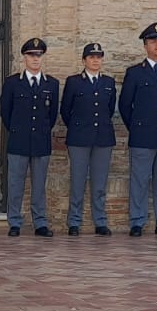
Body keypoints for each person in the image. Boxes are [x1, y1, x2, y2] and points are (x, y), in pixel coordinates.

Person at [119, 22, 157, 237]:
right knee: (139, 180)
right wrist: (136, 127)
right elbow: (125, 105)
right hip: (142, 135)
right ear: (145, 45)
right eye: (153, 41)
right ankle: (137, 221)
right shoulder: (135, 73)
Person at [0, 37, 59, 237]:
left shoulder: (52, 84)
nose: (35, 59)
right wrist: (18, 130)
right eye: (31, 55)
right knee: (15, 183)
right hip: (19, 140)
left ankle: (40, 222)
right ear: (24, 57)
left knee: (39, 185)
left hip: (41, 141)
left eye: (39, 55)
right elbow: (6, 113)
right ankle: (14, 222)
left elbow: (52, 115)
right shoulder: (12, 83)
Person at [59, 41, 116, 236]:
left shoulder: (108, 83)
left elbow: (109, 110)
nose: (95, 60)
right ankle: (74, 221)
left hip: (103, 138)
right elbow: (65, 110)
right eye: (91, 57)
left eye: (99, 57)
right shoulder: (74, 81)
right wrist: (77, 128)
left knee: (99, 184)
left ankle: (100, 221)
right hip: (79, 138)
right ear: (84, 60)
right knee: (78, 181)